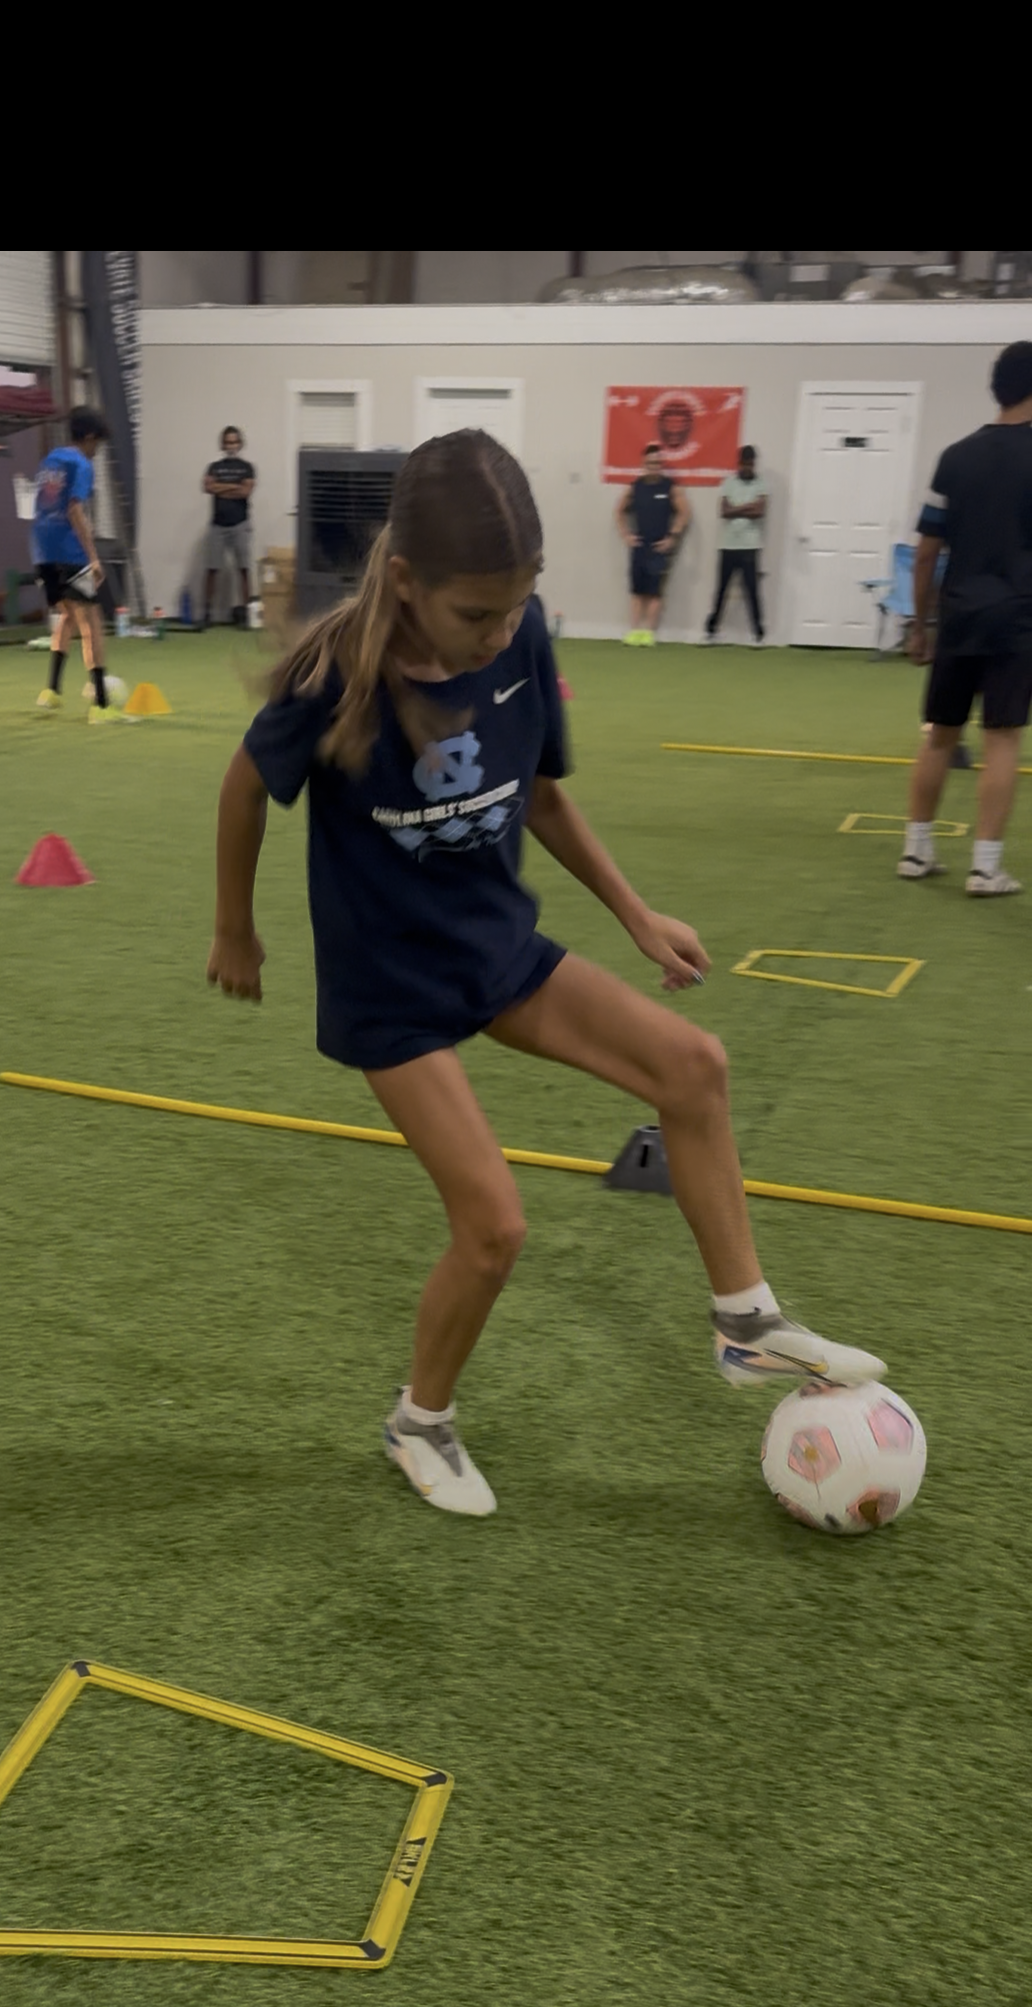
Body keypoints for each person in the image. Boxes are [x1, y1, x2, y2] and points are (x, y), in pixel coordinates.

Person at [207, 430, 884, 1518]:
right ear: (404, 583)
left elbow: (545, 796)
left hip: (498, 950)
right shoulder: (336, 676)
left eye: (519, 603)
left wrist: (636, 913)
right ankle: (416, 1423)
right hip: (393, 992)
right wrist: (234, 927)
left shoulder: (520, 643)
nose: (501, 629)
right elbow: (244, 790)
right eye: (475, 613)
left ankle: (745, 1325)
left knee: (694, 1067)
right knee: (496, 1227)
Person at [898, 340, 1032, 897]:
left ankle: (916, 852)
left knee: (939, 738)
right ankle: (985, 867)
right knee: (1002, 739)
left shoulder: (955, 456)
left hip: (958, 616)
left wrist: (920, 621)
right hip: (1017, 619)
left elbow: (926, 548)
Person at [32, 407, 120, 724]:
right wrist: (93, 557)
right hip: (70, 553)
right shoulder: (81, 464)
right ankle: (101, 705)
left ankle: (51, 691)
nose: (97, 452)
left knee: (67, 615)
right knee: (91, 622)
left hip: (43, 550)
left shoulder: (49, 462)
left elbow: (46, 506)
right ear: (89, 437)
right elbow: (73, 509)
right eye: (97, 444)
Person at [616, 443, 688, 645]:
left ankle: (648, 632)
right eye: (650, 462)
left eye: (657, 462)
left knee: (654, 592)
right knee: (637, 591)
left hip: (659, 547)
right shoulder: (635, 487)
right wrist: (626, 535)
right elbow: (619, 511)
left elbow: (684, 513)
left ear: (661, 464)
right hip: (640, 545)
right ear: (644, 463)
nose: (653, 466)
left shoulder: (670, 487)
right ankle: (635, 631)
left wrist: (672, 537)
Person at [705, 445, 766, 642]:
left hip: (750, 546)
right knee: (721, 589)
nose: (747, 467)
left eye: (751, 464)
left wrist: (737, 508)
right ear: (739, 463)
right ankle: (711, 631)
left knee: (752, 591)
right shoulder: (728, 482)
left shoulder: (761, 484)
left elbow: (759, 512)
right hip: (727, 545)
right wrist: (748, 506)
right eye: (744, 464)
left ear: (754, 464)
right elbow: (724, 512)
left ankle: (758, 634)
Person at [202, 427, 256, 627]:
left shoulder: (247, 468)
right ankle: (207, 613)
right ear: (223, 445)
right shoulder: (214, 467)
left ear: (240, 444)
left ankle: (249, 615)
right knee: (212, 569)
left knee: (244, 569)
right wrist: (234, 486)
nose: (231, 446)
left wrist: (221, 488)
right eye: (228, 442)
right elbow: (208, 487)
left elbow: (245, 492)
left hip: (240, 524)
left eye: (234, 442)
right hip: (217, 525)